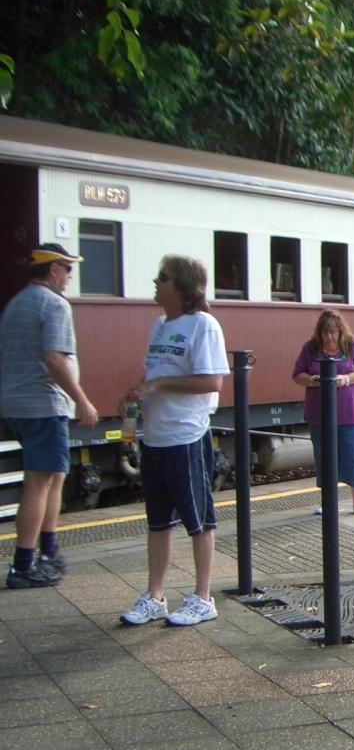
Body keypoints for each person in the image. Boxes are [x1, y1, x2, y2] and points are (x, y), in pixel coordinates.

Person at [120, 256, 229, 626]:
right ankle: (155, 597)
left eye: (162, 277)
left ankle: (203, 597)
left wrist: (160, 384)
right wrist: (137, 393)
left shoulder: (203, 325)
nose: (156, 281)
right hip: (154, 437)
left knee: (199, 520)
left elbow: (212, 382)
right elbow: (155, 374)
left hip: (186, 436)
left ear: (182, 286)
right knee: (157, 522)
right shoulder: (159, 325)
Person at [0, 243, 99, 588]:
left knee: (54, 478)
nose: (70, 276)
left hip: (16, 404)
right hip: (43, 405)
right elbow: (54, 358)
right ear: (54, 269)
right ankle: (23, 565)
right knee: (39, 483)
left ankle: (48, 551)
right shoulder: (54, 304)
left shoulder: (16, 303)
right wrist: (82, 401)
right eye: (68, 269)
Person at [292, 310, 354, 516]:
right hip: (320, 414)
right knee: (325, 457)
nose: (330, 337)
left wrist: (346, 379)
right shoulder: (310, 348)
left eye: (333, 332)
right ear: (319, 333)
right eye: (325, 332)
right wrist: (313, 380)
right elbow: (297, 374)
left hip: (353, 413)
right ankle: (328, 502)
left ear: (341, 332)